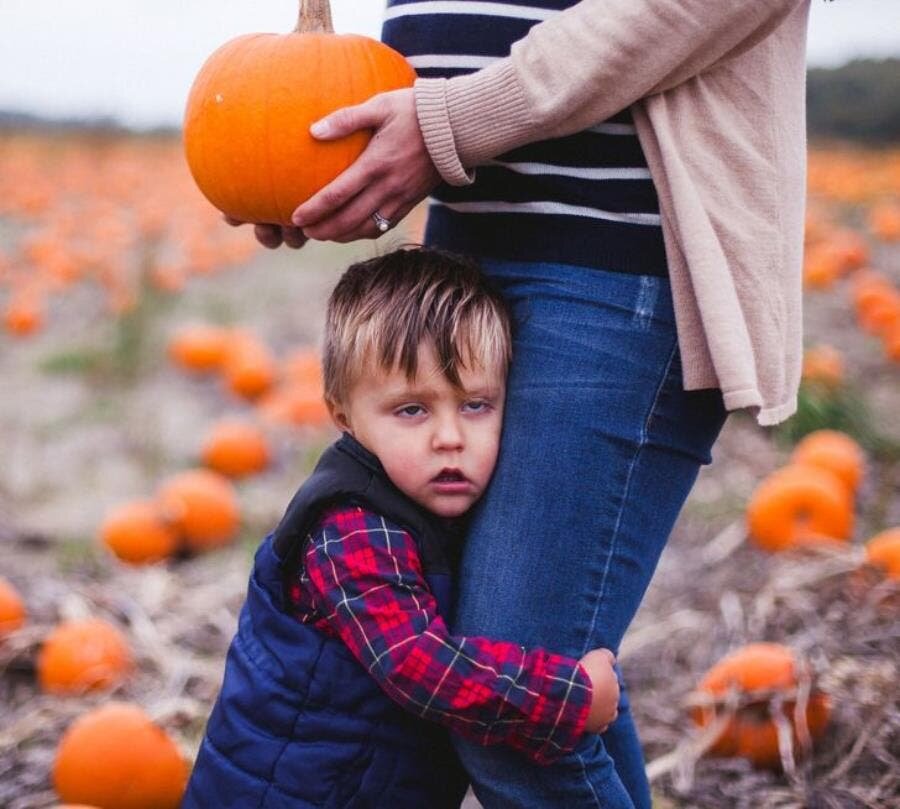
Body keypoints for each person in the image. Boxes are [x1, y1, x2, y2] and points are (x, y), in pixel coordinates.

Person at [236, 1, 813, 805]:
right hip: (464, 236)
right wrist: (290, 154)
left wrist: (455, 121)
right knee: (549, 682)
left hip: (617, 253)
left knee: (516, 724)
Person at [182, 247, 622, 808]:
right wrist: (566, 700)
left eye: (476, 405)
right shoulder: (353, 529)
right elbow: (415, 663)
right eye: (413, 410)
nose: (449, 437)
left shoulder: (429, 499)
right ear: (343, 415)